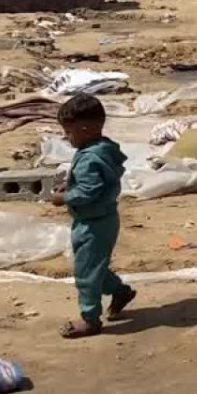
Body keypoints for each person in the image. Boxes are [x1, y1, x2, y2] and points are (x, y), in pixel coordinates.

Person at [51, 94, 135, 338]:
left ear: (86, 128)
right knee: (93, 267)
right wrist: (71, 187)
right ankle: (120, 291)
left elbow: (89, 190)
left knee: (86, 273)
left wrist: (64, 198)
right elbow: (93, 184)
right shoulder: (101, 148)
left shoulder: (90, 157)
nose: (67, 138)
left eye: (69, 132)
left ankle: (90, 320)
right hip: (101, 219)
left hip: (94, 223)